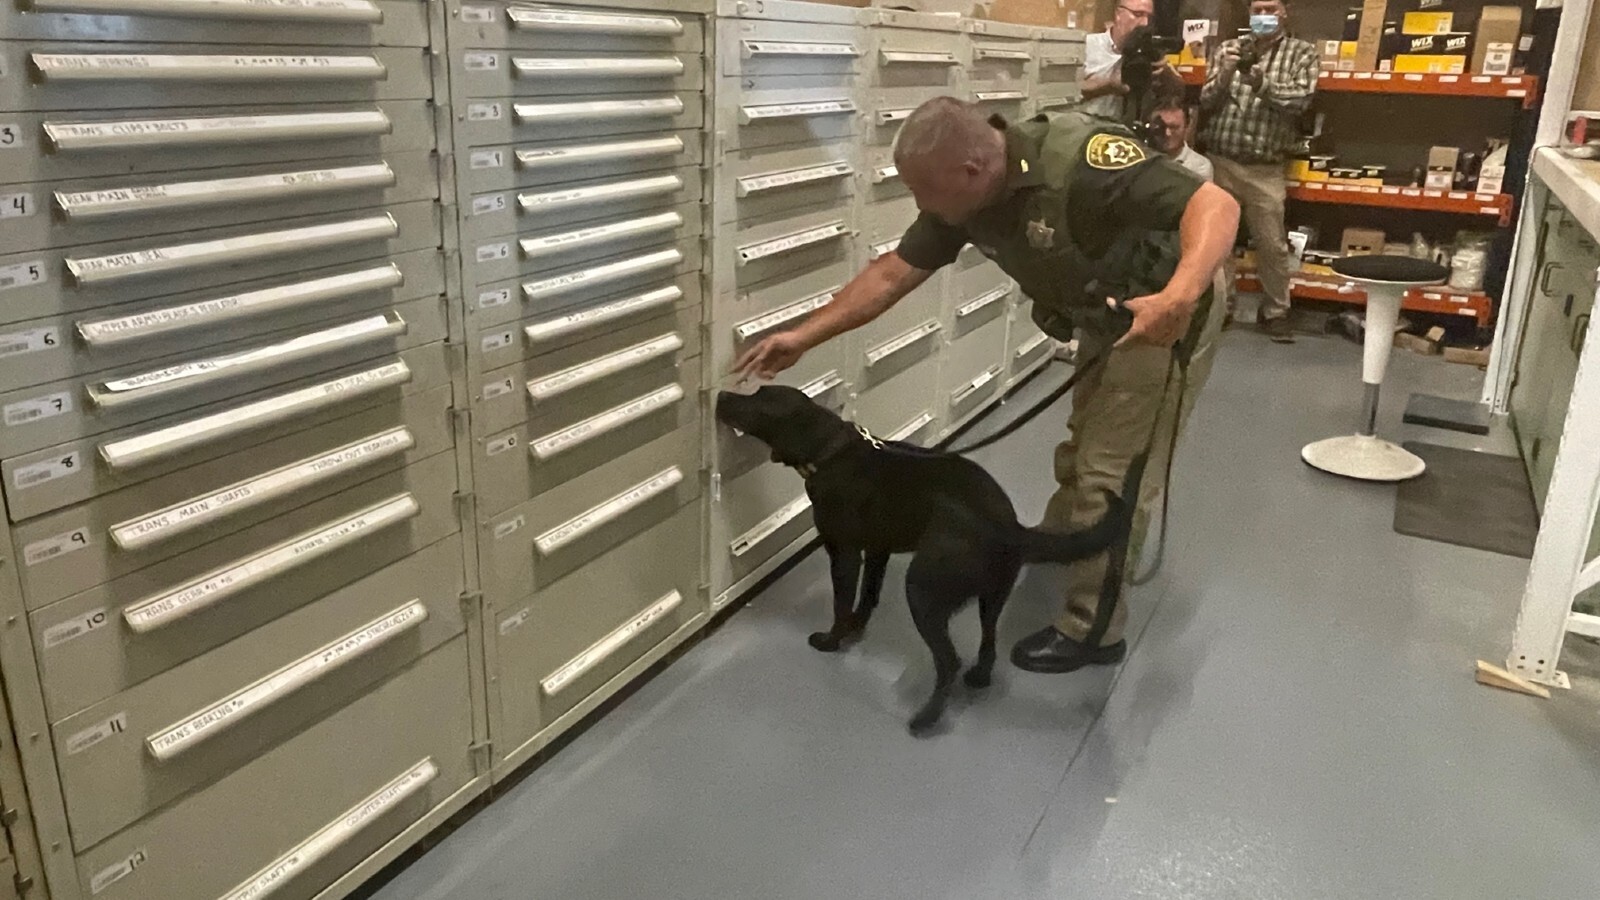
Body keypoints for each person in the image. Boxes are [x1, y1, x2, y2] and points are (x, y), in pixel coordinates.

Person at [734, 98, 1239, 675]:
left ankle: (1091, 628)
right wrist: (804, 336)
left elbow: (1216, 204)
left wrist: (1178, 296)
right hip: (1107, 310)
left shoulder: (1081, 162)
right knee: (1080, 450)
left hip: (1164, 307)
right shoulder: (962, 197)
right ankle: (1058, 551)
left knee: (1113, 470)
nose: (924, 209)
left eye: (927, 194)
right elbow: (892, 273)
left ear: (972, 171)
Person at [1198, 0, 1317, 343]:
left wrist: (1262, 84)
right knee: (1218, 242)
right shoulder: (1228, 49)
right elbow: (1205, 100)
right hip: (1222, 161)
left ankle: (1276, 311)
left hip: (1265, 167)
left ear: (1284, 12)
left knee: (1272, 245)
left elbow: (1302, 100)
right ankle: (1222, 306)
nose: (1263, 16)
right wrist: (1225, 76)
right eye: (1257, 9)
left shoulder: (1302, 54)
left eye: (1270, 9)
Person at [1079, 0, 1157, 119]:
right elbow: (1064, 91)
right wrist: (1108, 85)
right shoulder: (1087, 46)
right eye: (1138, 14)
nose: (1145, 23)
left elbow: (1176, 95)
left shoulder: (1150, 54)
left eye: (1149, 17)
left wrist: (1166, 74)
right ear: (1118, 14)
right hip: (1087, 130)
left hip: (1127, 133)